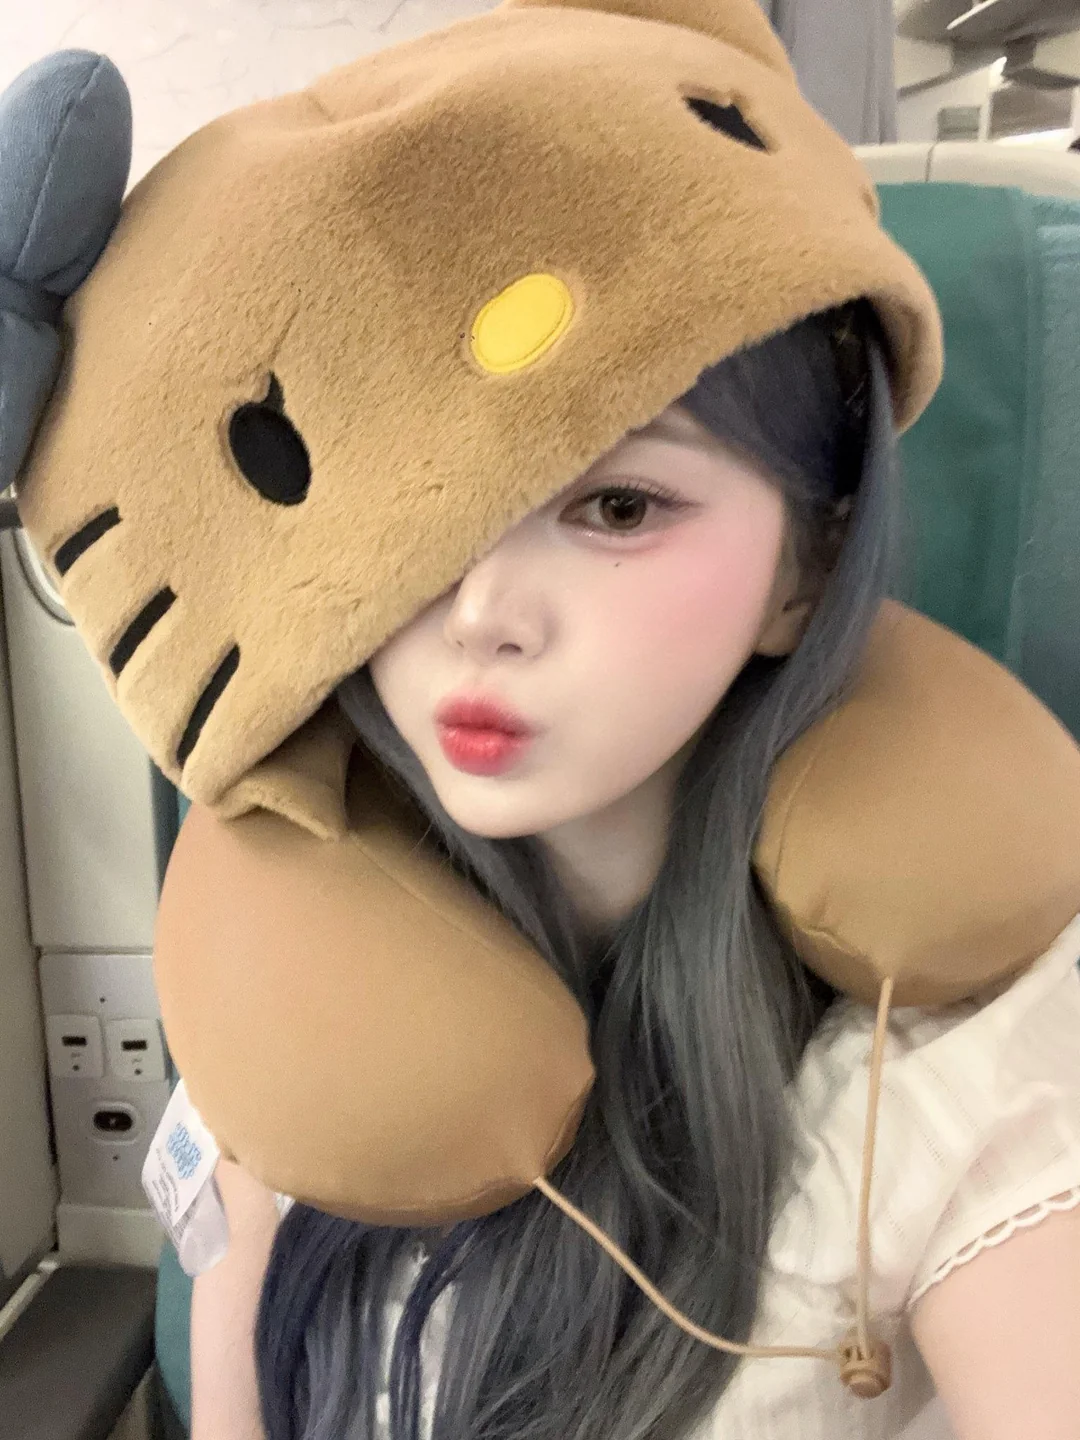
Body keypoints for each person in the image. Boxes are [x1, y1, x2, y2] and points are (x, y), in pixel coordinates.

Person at [2, 3, 1080, 1439]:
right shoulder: (293, 992)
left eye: (617, 507)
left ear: (806, 566)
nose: (479, 613)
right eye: (409, 516)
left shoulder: (950, 1068)